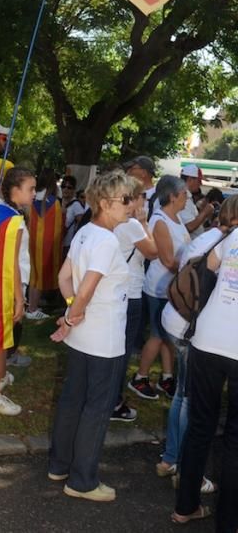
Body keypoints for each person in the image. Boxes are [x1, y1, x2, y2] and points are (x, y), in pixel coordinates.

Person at [48, 170, 133, 502]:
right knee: (96, 408)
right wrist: (72, 314)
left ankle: (60, 464)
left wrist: (72, 311)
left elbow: (64, 277)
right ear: (105, 202)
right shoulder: (107, 240)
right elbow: (84, 288)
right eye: (125, 200)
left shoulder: (86, 232)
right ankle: (82, 480)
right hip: (103, 338)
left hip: (84, 336)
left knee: (72, 400)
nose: (131, 206)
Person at [156, 202, 235, 493]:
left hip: (178, 319)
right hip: (194, 329)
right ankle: (186, 469)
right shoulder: (224, 243)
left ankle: (171, 459)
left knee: (183, 394)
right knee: (192, 401)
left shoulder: (207, 237)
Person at [172, 194, 238, 529]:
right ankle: (228, 522)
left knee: (200, 425)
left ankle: (185, 506)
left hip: (208, 339)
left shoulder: (235, 236)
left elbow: (207, 269)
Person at [0, 167, 36, 415]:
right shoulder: (15, 220)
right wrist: (19, 298)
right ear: (15, 190)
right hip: (5, 283)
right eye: (31, 189)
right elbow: (12, 262)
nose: (34, 193)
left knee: (1, 336)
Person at [129, 175, 190, 400]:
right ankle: (140, 377)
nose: (187, 197)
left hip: (173, 287)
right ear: (172, 196)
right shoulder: (160, 220)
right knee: (156, 334)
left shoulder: (176, 218)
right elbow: (166, 259)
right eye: (184, 194)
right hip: (159, 287)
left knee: (168, 335)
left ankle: (167, 376)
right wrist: (191, 274)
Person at [112, 177, 157, 422]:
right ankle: (114, 402)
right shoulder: (132, 225)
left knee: (115, 348)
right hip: (131, 292)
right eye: (144, 197)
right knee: (123, 351)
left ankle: (110, 398)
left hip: (118, 290)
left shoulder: (114, 221)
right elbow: (153, 251)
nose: (145, 202)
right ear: (135, 198)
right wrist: (144, 222)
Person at [27, 167, 62, 319]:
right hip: (47, 245)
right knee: (38, 276)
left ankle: (31, 305)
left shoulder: (32, 197)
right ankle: (32, 309)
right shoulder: (54, 201)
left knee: (33, 275)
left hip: (31, 241)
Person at [179, 164, 214, 238]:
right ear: (190, 180)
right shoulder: (182, 198)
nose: (200, 184)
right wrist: (205, 212)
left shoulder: (188, 197)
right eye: (199, 180)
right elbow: (189, 227)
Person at [62, 175, 85, 257]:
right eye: (63, 186)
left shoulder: (76, 205)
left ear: (74, 189)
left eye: (69, 187)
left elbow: (82, 226)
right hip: (57, 244)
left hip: (68, 246)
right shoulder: (58, 201)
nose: (65, 189)